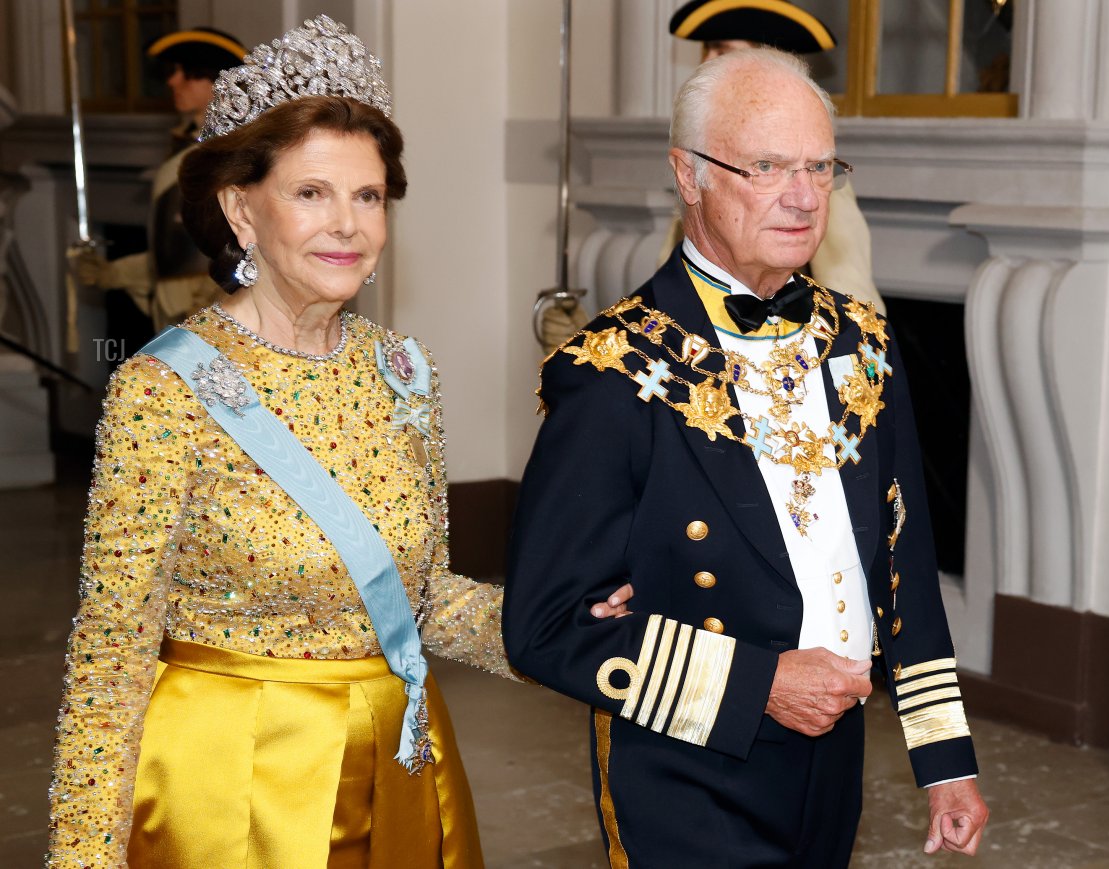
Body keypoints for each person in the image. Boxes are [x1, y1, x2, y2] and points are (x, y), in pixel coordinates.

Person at [46, 16, 629, 868]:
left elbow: (424, 599)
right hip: (233, 785)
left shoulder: (405, 370)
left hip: (396, 761)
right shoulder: (161, 391)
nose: (348, 225)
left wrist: (571, 629)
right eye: (312, 193)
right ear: (242, 208)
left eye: (368, 195)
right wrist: (82, 856)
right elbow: (110, 655)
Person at [504, 47, 988, 867]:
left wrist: (944, 757)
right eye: (766, 167)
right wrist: (757, 683)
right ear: (689, 174)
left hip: (835, 760)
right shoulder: (613, 371)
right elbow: (543, 626)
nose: (804, 197)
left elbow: (905, 563)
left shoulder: (861, 341)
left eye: (819, 167)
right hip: (688, 767)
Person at [535, 0, 883, 358]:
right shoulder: (705, 162)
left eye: (722, 52)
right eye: (706, 51)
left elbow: (853, 304)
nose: (705, 63)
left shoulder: (816, 187)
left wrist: (850, 375)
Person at [79, 27, 245, 341]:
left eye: (186, 73)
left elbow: (235, 247)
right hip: (174, 315)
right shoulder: (185, 149)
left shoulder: (231, 156)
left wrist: (213, 299)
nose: (172, 81)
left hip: (216, 318)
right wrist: (113, 274)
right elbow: (174, 253)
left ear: (217, 81)